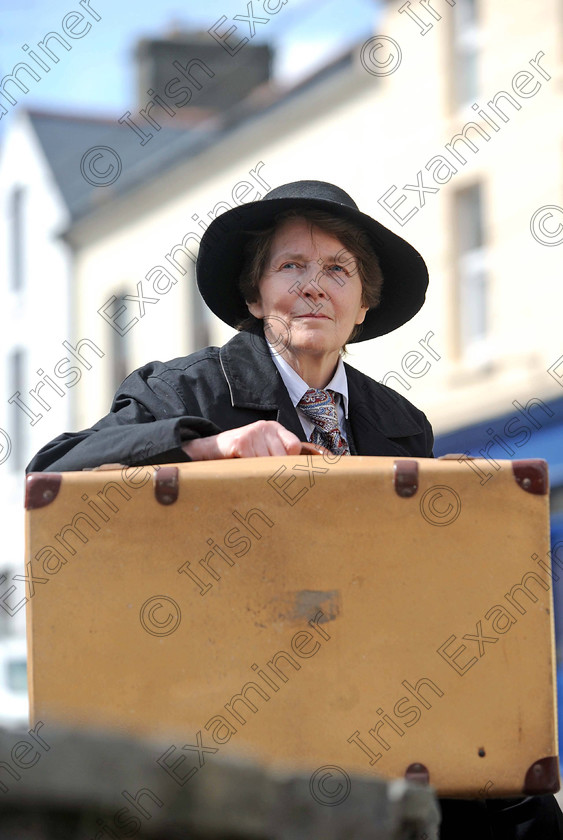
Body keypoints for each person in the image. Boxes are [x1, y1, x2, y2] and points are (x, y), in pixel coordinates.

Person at [26, 181, 563, 838]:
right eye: (291, 267)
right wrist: (207, 446)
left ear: (362, 304)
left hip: (368, 691)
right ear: (255, 298)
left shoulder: (399, 425)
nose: (314, 287)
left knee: (518, 806)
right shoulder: (181, 388)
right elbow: (54, 469)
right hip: (224, 696)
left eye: (336, 270)